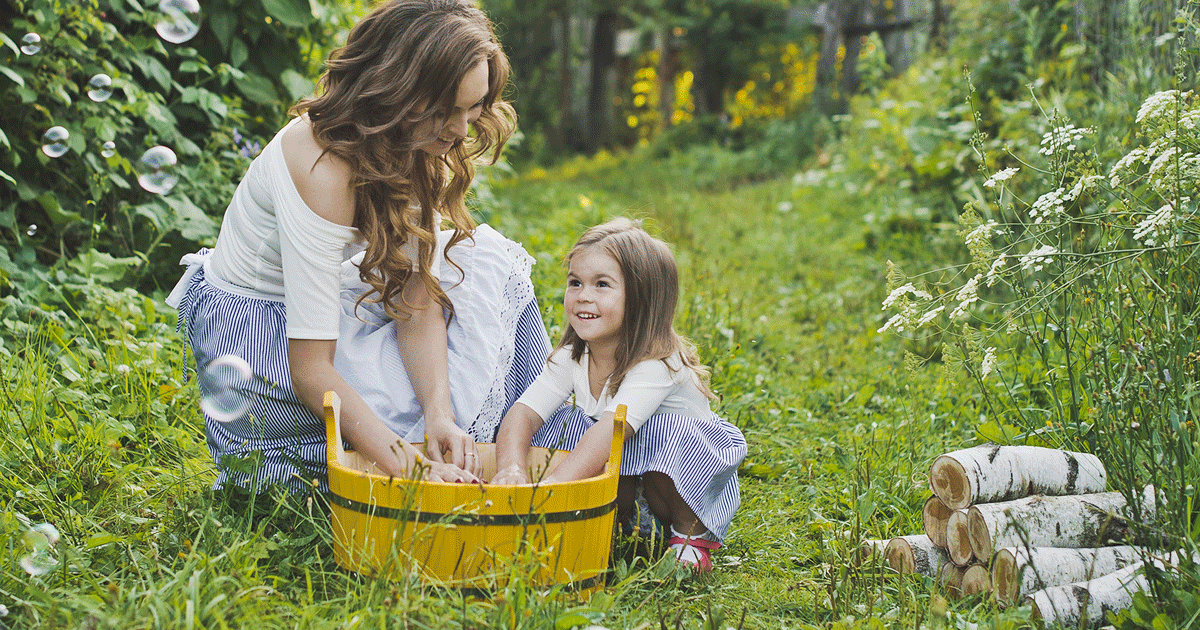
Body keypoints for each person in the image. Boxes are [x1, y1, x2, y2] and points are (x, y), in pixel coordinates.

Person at [167, 0, 550, 490]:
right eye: (444, 112)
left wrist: (440, 414)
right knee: (344, 460)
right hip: (262, 340)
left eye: (472, 109)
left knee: (481, 258)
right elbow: (309, 371)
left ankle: (522, 425)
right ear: (394, 92)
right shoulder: (320, 167)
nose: (460, 131)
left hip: (317, 314)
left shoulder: (403, 141)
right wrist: (411, 471)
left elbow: (414, 293)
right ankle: (445, 446)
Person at [490, 218, 747, 572]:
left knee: (656, 430)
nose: (583, 295)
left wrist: (550, 490)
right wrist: (511, 469)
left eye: (602, 285)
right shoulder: (573, 356)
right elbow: (523, 413)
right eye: (575, 282)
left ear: (641, 298)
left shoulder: (657, 362)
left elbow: (612, 429)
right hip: (630, 483)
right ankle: (614, 522)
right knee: (564, 422)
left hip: (679, 490)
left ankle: (690, 540)